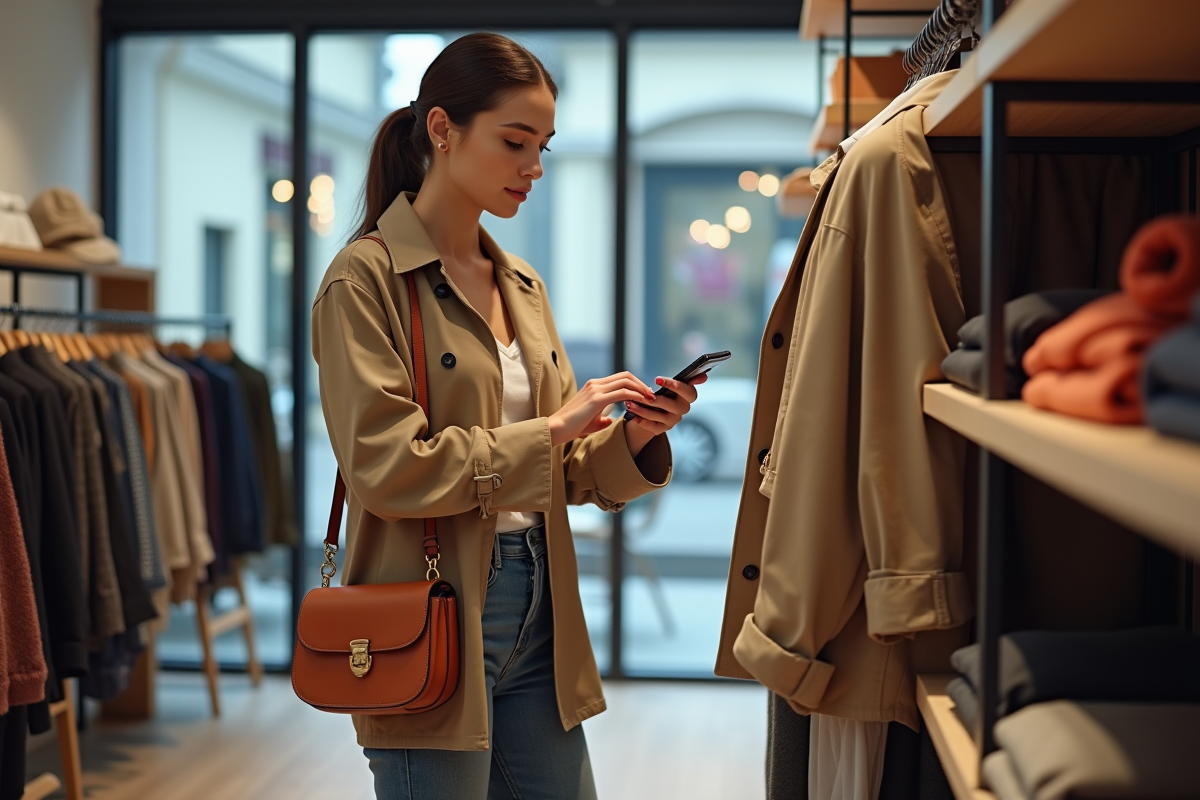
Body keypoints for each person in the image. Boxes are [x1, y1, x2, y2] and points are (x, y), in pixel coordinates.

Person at [310, 32, 706, 800]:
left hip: (542, 602)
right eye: (515, 142)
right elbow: (386, 469)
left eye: (544, 146)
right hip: (435, 603)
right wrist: (554, 428)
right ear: (441, 129)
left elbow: (553, 473)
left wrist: (633, 436)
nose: (534, 167)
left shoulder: (520, 281)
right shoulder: (366, 280)